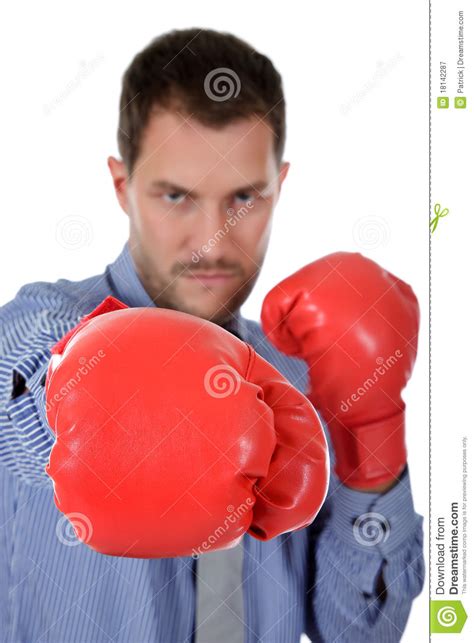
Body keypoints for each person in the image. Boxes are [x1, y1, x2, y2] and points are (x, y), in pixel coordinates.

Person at [0, 27, 424, 642]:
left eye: (244, 198)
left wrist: (371, 432)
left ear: (280, 185)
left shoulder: (301, 372)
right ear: (122, 187)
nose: (213, 241)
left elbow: (359, 632)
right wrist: (81, 386)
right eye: (176, 195)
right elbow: (28, 391)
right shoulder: (39, 329)